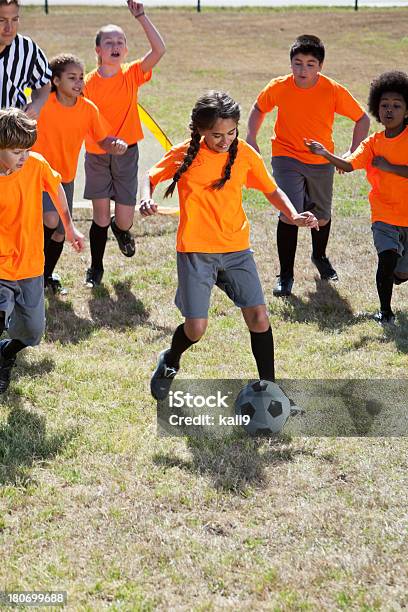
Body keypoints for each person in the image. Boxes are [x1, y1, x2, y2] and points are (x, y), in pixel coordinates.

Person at [139, 91, 318, 401]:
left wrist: (292, 213)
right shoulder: (185, 153)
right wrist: (146, 197)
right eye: (216, 135)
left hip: (236, 249)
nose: (225, 140)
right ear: (199, 131)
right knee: (195, 328)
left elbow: (272, 189)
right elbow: (150, 176)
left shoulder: (245, 154)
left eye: (231, 133)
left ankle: (271, 389)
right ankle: (170, 361)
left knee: (259, 317)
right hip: (196, 250)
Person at [246, 34, 370, 297]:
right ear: (290, 63)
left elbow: (362, 119)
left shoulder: (332, 89)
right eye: (298, 63)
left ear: (320, 66)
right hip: (286, 155)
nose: (303, 70)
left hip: (321, 160)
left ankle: (320, 256)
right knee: (290, 212)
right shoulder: (279, 86)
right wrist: (251, 137)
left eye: (310, 64)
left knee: (322, 216)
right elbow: (258, 109)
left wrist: (351, 152)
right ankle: (286, 275)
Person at [305, 70, 408, 326]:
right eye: (384, 105)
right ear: (376, 108)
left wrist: (390, 167)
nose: (389, 110)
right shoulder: (373, 142)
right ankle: (385, 312)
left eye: (396, 105)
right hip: (384, 214)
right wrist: (326, 154)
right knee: (386, 259)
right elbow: (350, 164)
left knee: (401, 270)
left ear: (407, 110)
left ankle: (398, 271)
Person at [0, 108, 84, 392]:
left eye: (26, 149)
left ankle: (6, 352)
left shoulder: (35, 165)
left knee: (33, 333)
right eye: (15, 151)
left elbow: (56, 188)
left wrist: (69, 227)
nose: (23, 157)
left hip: (31, 264)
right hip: (1, 266)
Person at [83, 0, 165, 287]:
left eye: (120, 41)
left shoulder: (131, 74)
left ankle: (122, 232)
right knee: (101, 217)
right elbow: (84, 121)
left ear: (126, 50)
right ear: (98, 50)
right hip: (97, 154)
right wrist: (105, 143)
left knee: (124, 221)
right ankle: (95, 269)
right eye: (108, 42)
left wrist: (141, 17)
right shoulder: (87, 84)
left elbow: (159, 51)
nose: (115, 45)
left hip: (127, 154)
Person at [32, 53, 127, 294]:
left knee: (61, 232)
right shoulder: (43, 105)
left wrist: (114, 144)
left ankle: (45, 276)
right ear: (55, 81)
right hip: (37, 174)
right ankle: (31, 273)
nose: (78, 83)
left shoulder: (87, 109)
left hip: (65, 177)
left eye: (81, 78)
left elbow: (102, 138)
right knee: (52, 219)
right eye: (71, 78)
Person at [0, 0, 51, 115]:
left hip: (13, 129)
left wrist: (37, 105)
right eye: (1, 20)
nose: (9, 28)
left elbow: (43, 84)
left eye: (14, 19)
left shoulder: (27, 48)